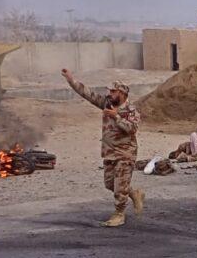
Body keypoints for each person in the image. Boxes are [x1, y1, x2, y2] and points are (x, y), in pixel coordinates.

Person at [61, 69, 144, 227]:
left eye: (113, 91)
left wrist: (116, 117)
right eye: (109, 91)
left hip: (125, 153)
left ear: (122, 93)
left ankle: (119, 214)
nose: (110, 94)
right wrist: (71, 80)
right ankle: (134, 193)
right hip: (109, 153)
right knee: (109, 184)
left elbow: (132, 129)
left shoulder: (131, 110)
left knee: (120, 187)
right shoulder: (106, 104)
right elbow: (88, 94)